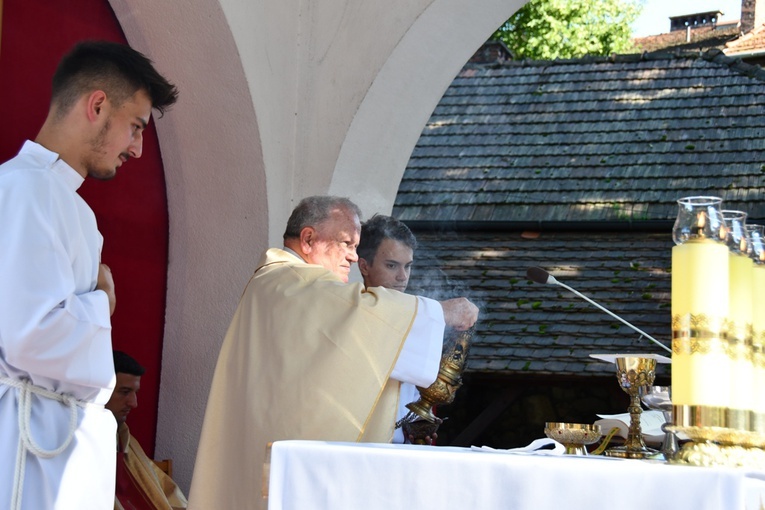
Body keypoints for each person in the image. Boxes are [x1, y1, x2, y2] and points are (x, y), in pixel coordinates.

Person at [188, 196, 478, 510]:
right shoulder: (291, 283)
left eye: (356, 247)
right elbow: (356, 312)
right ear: (309, 238)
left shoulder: (276, 283)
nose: (354, 257)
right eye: (345, 244)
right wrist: (439, 313)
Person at [0, 41, 177, 510]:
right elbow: (30, 337)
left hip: (52, 440)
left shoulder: (68, 204)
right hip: (22, 447)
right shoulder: (23, 189)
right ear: (97, 105)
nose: (137, 150)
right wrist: (101, 302)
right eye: (135, 127)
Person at [357, 214, 425, 443]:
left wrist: (417, 426)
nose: (402, 277)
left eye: (408, 266)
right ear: (364, 265)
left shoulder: (415, 316)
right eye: (392, 265)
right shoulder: (350, 316)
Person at [107, 351, 187, 510]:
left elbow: (166, 493)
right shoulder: (77, 445)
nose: (133, 403)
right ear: (99, 390)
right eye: (124, 392)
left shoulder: (126, 440)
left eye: (135, 393)